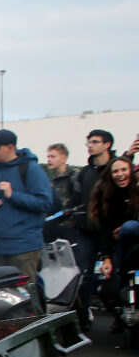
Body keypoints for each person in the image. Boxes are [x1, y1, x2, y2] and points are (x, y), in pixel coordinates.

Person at [0, 129, 54, 283]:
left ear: (11, 147)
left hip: (23, 248)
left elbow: (45, 203)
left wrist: (13, 195)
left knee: (25, 298)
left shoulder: (31, 169)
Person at [72, 129, 116, 330]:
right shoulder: (85, 172)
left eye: (95, 142)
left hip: (112, 230)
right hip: (87, 230)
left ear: (107, 144)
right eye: (88, 142)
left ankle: (120, 315)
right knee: (83, 274)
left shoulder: (116, 168)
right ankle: (84, 313)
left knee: (116, 273)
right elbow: (76, 199)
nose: (90, 145)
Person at [88, 157, 139, 300]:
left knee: (129, 227)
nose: (120, 174)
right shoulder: (107, 196)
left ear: (131, 170)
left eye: (124, 169)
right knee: (110, 286)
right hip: (120, 242)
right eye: (115, 171)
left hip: (134, 233)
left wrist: (124, 227)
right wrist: (107, 258)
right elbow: (105, 228)